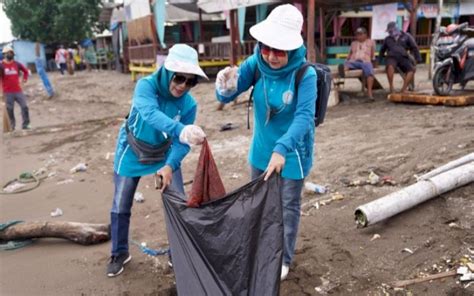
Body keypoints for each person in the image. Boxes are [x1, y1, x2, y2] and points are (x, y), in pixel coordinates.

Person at [215, 4, 317, 281]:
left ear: (292, 48)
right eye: (266, 47)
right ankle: (261, 247)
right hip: (261, 150)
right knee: (258, 202)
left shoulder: (305, 75)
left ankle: (283, 257)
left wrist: (282, 149)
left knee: (287, 206)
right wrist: (224, 85)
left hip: (292, 152)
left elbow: (304, 117)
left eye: (279, 50)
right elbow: (226, 97)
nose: (271, 56)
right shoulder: (256, 63)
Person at [107, 44, 207, 277]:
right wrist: (181, 129)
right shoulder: (146, 86)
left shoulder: (189, 104)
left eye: (190, 81)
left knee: (178, 202)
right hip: (132, 148)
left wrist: (170, 166)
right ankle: (120, 252)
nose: (182, 86)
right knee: (121, 204)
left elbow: (181, 143)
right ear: (167, 70)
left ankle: (178, 252)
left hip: (164, 153)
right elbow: (150, 114)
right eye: (179, 78)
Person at [380, 22, 422, 93]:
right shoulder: (387, 39)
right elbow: (382, 50)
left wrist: (418, 59)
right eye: (389, 31)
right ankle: (391, 88)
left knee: (411, 70)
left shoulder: (406, 36)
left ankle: (404, 88)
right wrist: (379, 61)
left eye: (391, 31)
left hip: (403, 57)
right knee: (390, 67)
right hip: (391, 57)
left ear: (396, 29)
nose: (390, 32)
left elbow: (414, 47)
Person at [338, 27, 376, 99]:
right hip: (354, 61)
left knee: (370, 73)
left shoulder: (371, 42)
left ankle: (370, 93)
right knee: (347, 64)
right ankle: (343, 71)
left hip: (365, 61)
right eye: (357, 35)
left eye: (360, 34)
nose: (359, 36)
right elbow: (349, 54)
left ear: (365, 35)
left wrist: (374, 62)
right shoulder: (353, 43)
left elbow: (372, 54)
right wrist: (346, 60)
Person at [0, 46, 31, 130]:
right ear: (4, 54)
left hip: (18, 90)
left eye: (11, 53)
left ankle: (26, 124)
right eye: (8, 53)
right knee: (9, 109)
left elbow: (25, 71)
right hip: (7, 92)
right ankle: (12, 125)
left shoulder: (17, 64)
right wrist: (1, 91)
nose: (10, 54)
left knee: (24, 106)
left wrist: (24, 80)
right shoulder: (1, 65)